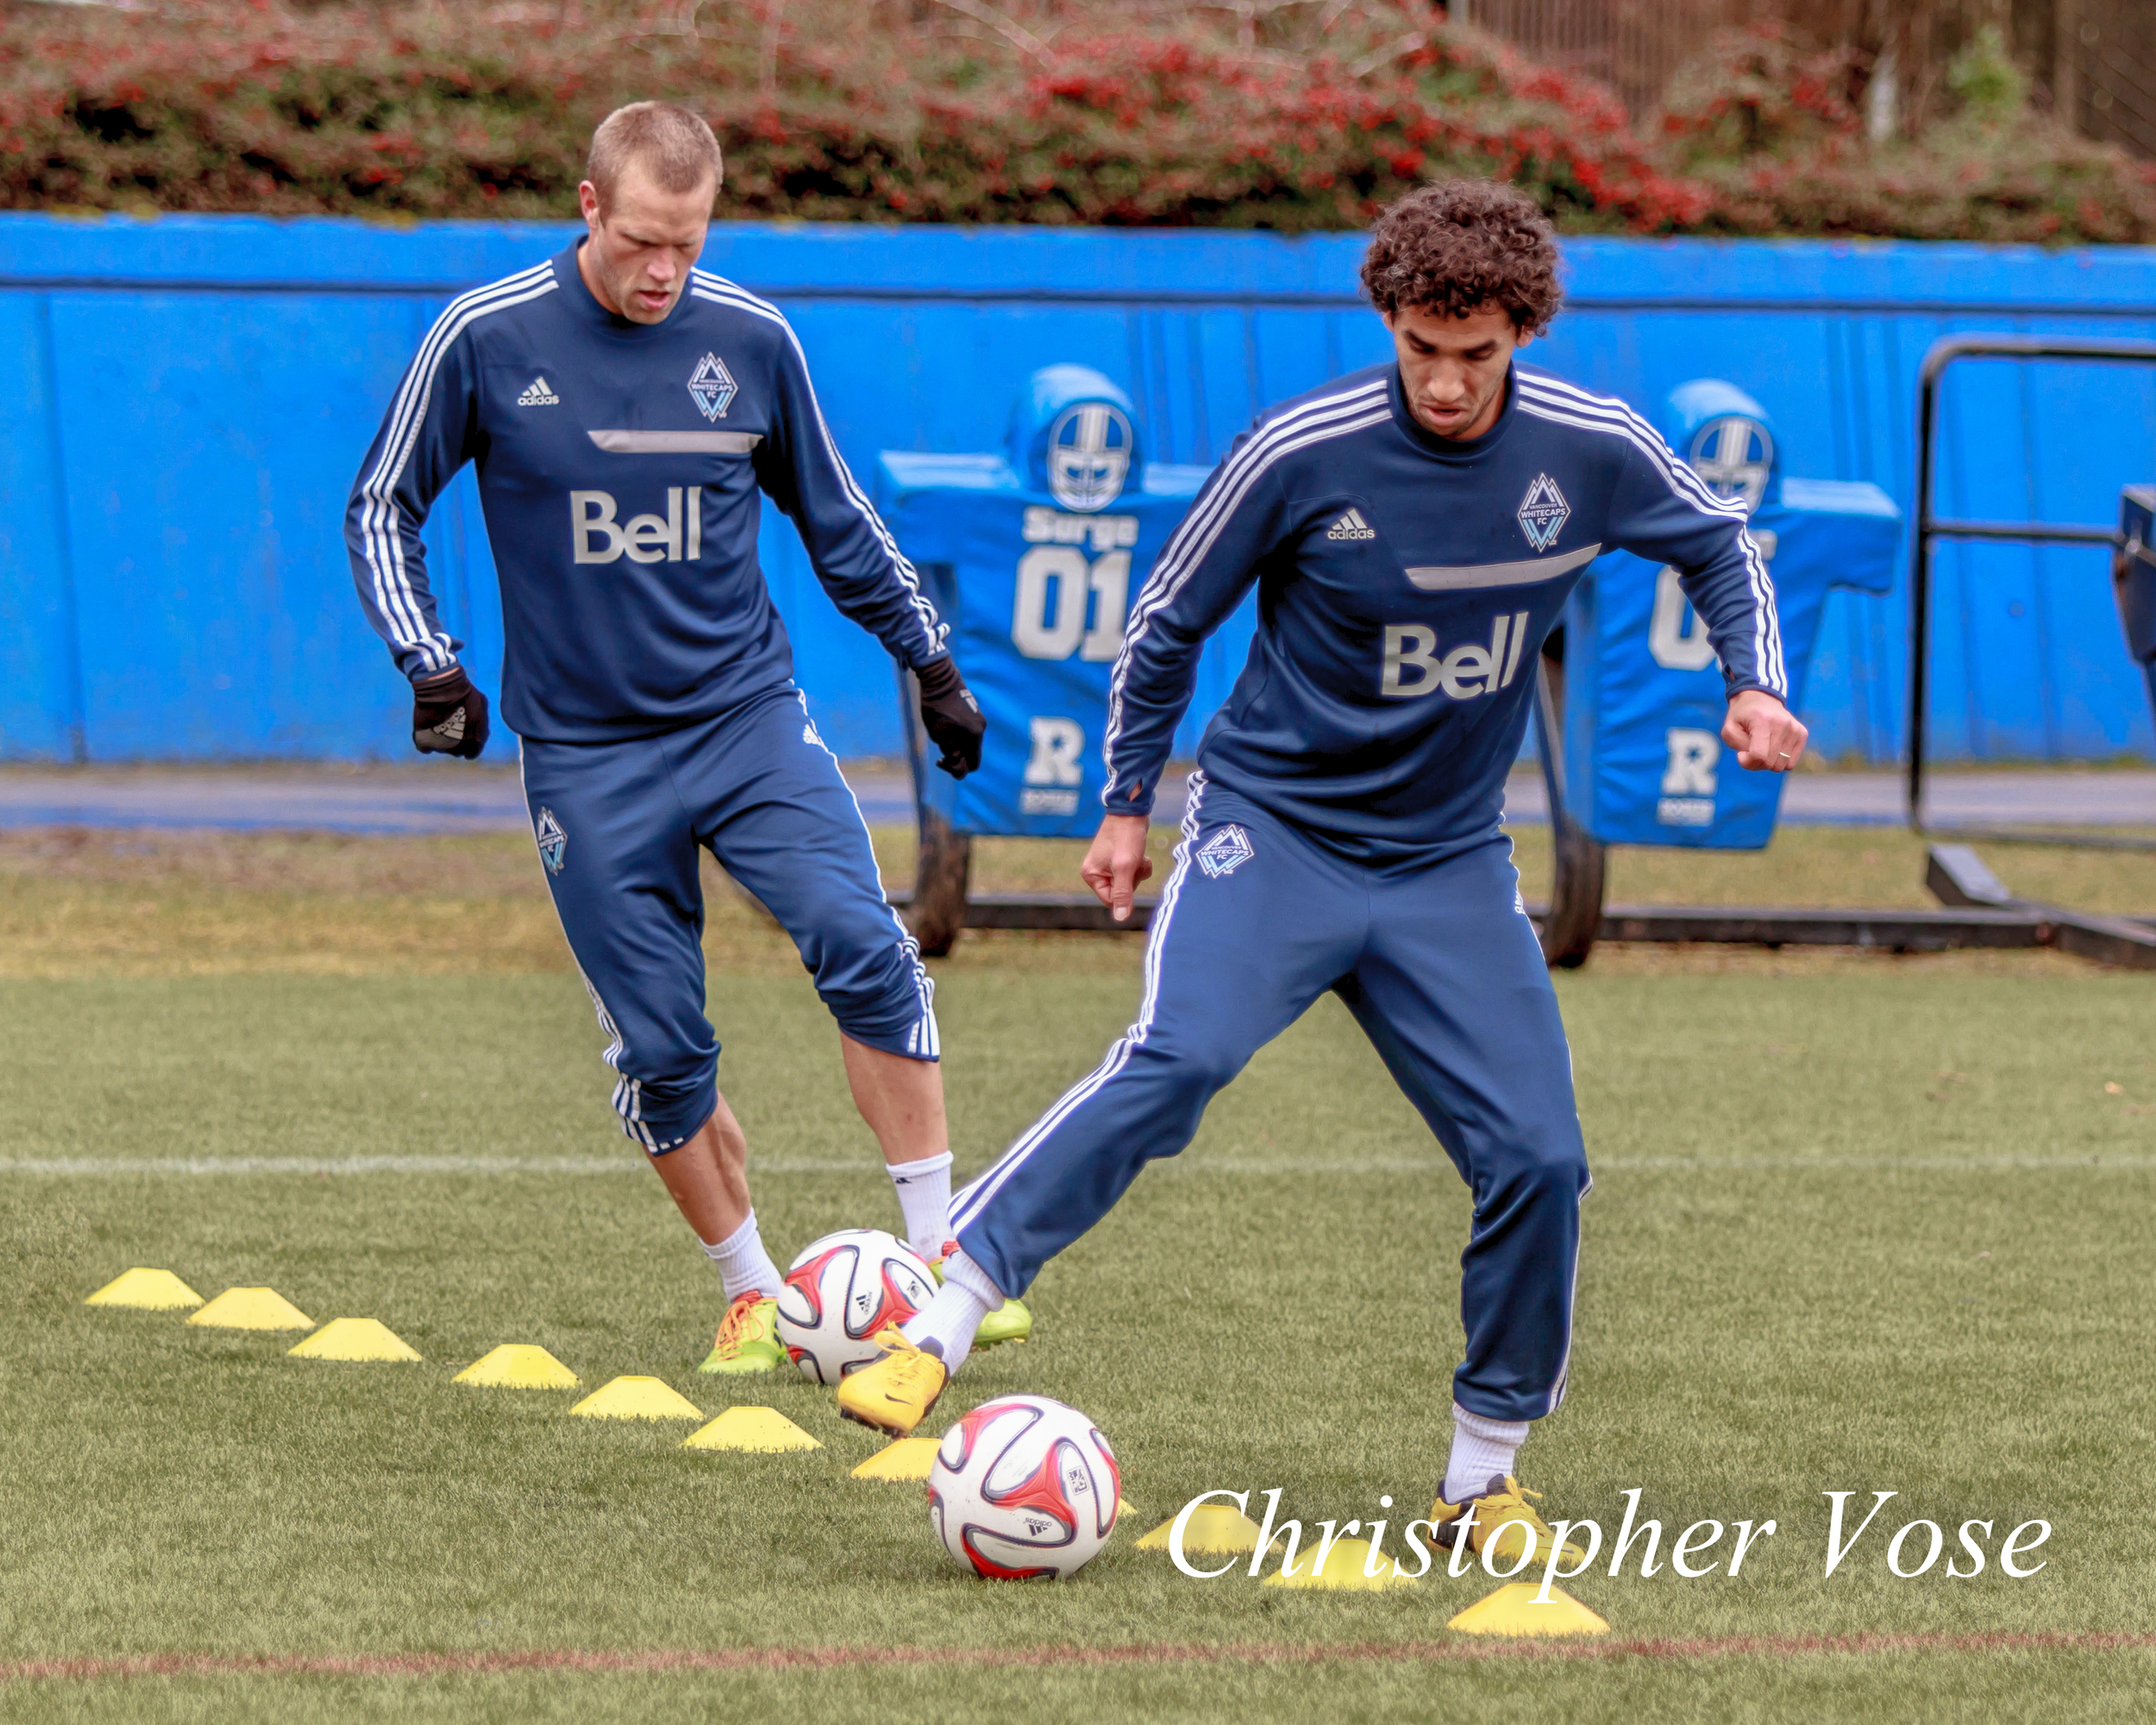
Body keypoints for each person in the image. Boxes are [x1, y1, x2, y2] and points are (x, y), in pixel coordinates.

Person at [837, 179, 1804, 1562]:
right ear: (1391, 325)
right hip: (1273, 831)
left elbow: (1718, 543)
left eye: (1479, 355)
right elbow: (1166, 623)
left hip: (1447, 865)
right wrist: (1124, 809)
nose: (1452, 381)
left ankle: (1482, 1479)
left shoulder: (1589, 449)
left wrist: (1753, 682)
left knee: (1539, 1158)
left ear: (1520, 333)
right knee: (1174, 1059)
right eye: (1425, 351)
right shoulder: (1302, 451)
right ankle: (937, 1320)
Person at [344, 101, 1029, 1376]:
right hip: (587, 757)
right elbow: (383, 502)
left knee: (863, 944)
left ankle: (942, 1260)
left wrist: (931, 662)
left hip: (746, 721)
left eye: (691, 243)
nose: (666, 271)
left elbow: (840, 518)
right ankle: (750, 1291)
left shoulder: (752, 340)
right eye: (645, 240)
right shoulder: (483, 339)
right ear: (591, 208)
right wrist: (429, 663)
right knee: (662, 1046)